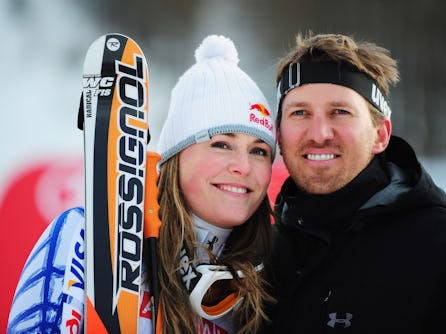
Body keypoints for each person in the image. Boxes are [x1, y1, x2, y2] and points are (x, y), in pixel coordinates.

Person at [8, 34, 276, 334]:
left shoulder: (272, 284)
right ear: (176, 156)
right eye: (222, 145)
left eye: (259, 151)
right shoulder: (87, 238)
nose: (243, 166)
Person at [263, 32, 446, 333]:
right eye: (300, 113)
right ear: (280, 135)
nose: (319, 133)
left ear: (380, 135)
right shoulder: (261, 256)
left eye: (340, 112)